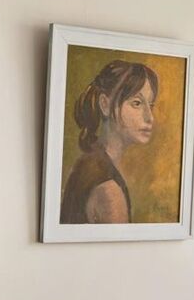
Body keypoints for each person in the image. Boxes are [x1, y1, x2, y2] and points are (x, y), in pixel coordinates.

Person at [60, 59, 158, 223]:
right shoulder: (108, 190)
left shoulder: (90, 163)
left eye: (151, 105)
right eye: (137, 103)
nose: (150, 117)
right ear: (105, 105)